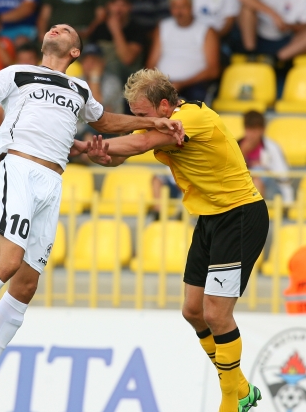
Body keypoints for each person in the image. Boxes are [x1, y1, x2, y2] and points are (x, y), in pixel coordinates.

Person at [0, 24, 184, 412]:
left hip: (53, 181)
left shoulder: (79, 89)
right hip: (17, 168)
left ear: (75, 51)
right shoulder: (16, 73)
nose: (56, 28)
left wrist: (152, 122)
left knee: (27, 284)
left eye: (66, 29)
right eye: (54, 26)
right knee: (9, 263)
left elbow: (105, 123)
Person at [84, 68, 267, 412]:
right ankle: (240, 385)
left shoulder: (193, 117)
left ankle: (231, 400)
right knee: (193, 310)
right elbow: (122, 155)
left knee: (216, 313)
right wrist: (102, 156)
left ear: (165, 105)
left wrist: (80, 146)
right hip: (211, 218)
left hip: (240, 215)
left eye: (142, 115)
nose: (140, 122)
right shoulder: (161, 123)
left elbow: (139, 142)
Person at [146, 0, 221, 104]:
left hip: (194, 86)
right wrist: (162, 84)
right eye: (175, 7)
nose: (179, 11)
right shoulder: (163, 27)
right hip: (163, 85)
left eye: (183, 7)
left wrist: (181, 84)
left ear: (191, 7)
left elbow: (213, 70)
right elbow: (151, 64)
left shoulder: (206, 31)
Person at [88, 0, 149, 85]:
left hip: (129, 79)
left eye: (123, 5)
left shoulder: (137, 29)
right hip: (101, 75)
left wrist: (116, 30)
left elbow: (127, 59)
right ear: (108, 6)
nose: (118, 9)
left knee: (113, 66)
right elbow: (90, 56)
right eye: (115, 4)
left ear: (130, 7)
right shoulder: (99, 28)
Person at [238, 110, 294, 204]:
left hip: (272, 190)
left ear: (262, 130)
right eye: (249, 129)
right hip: (242, 191)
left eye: (255, 130)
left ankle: (256, 215)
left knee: (257, 177)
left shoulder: (272, 147)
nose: (251, 134)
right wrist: (242, 154)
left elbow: (285, 176)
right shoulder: (236, 146)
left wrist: (265, 168)